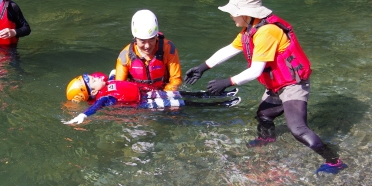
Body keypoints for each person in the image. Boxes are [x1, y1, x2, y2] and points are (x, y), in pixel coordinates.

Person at [184, 0, 347, 174]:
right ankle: (267, 140)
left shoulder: (266, 32)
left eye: (233, 12)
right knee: (264, 115)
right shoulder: (250, 29)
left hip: (293, 84)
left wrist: (227, 81)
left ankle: (334, 161)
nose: (231, 16)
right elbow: (230, 49)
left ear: (245, 13)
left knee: (298, 129)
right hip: (275, 84)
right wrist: (202, 67)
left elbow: (255, 70)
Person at [63, 72, 241, 124]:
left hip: (147, 93)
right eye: (91, 81)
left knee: (181, 94)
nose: (95, 78)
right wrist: (84, 115)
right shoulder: (106, 97)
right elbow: (98, 106)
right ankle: (220, 104)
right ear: (92, 93)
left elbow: (112, 81)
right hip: (147, 103)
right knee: (185, 104)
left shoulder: (106, 84)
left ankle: (212, 94)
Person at [115, 9, 181, 91]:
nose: (147, 46)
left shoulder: (168, 48)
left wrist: (166, 93)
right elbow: (119, 84)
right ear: (135, 38)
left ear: (156, 36)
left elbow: (175, 79)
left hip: (163, 90)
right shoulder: (124, 55)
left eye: (151, 39)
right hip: (137, 92)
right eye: (142, 41)